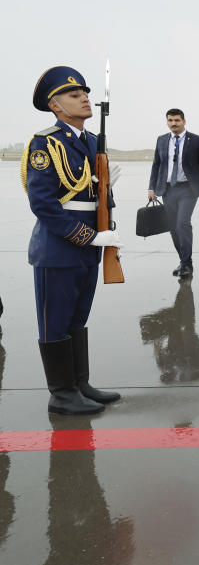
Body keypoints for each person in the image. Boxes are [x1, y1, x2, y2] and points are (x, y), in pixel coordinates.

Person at [22, 66, 124, 414]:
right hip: (59, 248)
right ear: (55, 105)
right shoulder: (45, 143)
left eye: (85, 92)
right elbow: (44, 205)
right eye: (73, 94)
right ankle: (62, 394)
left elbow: (93, 194)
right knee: (56, 320)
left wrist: (108, 192)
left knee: (77, 319)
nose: (83, 98)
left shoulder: (92, 141)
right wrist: (89, 237)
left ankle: (80, 384)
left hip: (90, 248)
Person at [148, 109, 199, 278]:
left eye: (177, 120)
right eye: (170, 120)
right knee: (172, 227)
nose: (173, 123)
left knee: (182, 224)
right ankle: (185, 262)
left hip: (188, 188)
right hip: (168, 189)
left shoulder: (198, 141)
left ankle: (185, 263)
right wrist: (151, 188)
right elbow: (156, 165)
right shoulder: (162, 140)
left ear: (184, 121)